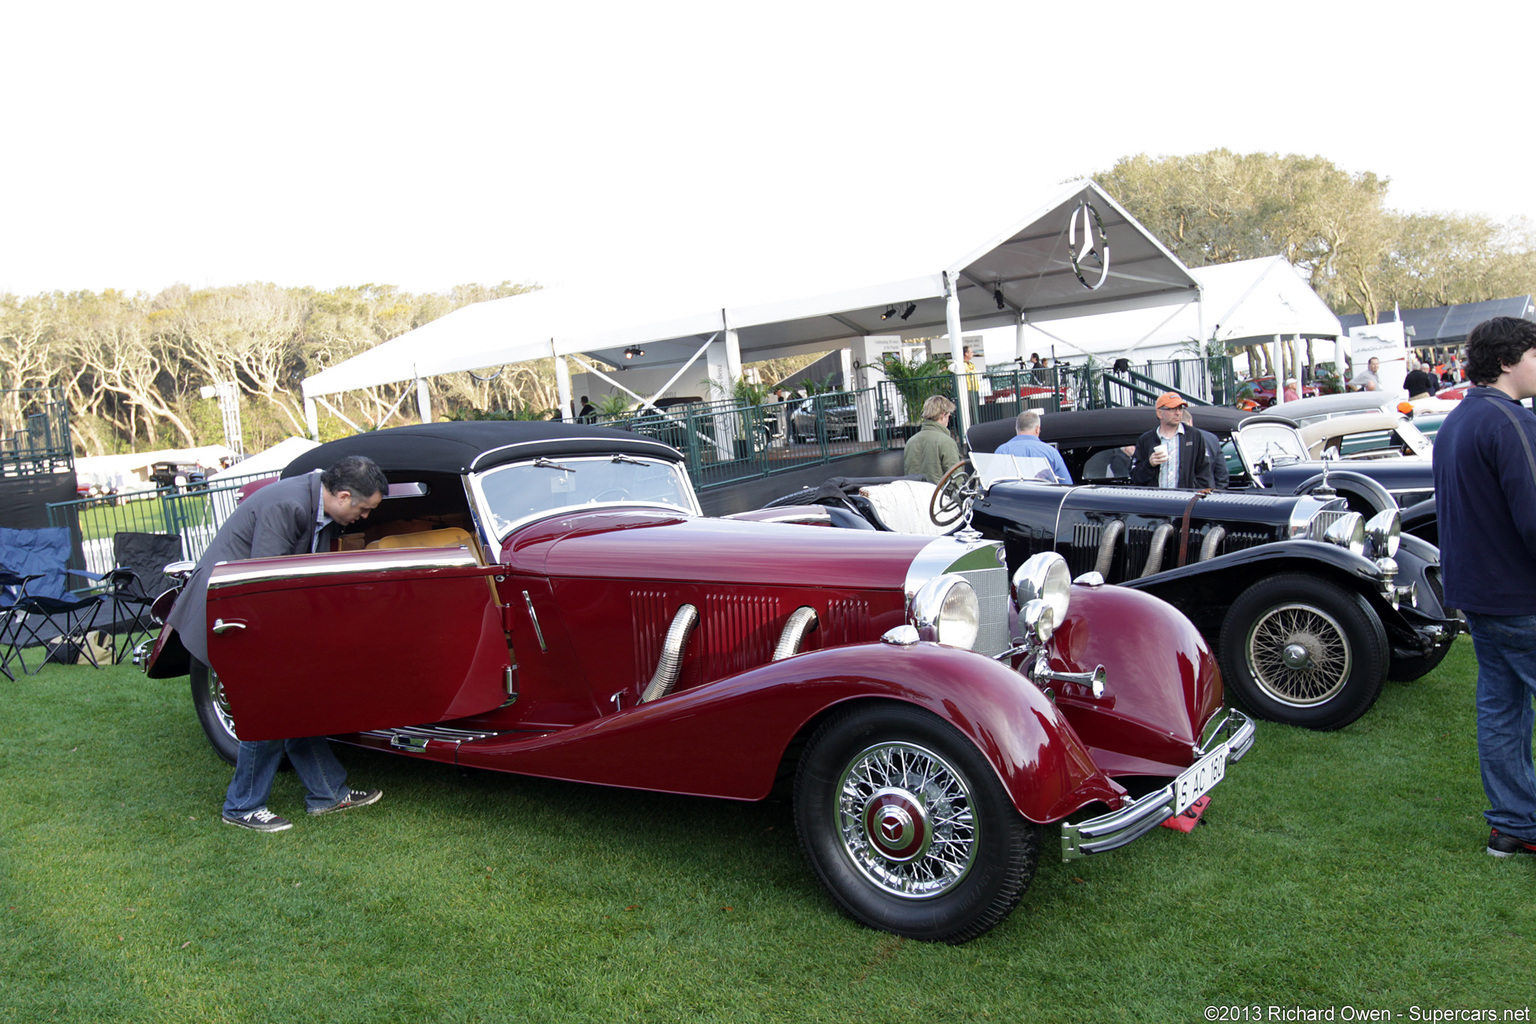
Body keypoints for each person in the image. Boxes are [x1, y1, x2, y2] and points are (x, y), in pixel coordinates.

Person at [166, 456, 391, 832]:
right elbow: (266, 584)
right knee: (269, 703)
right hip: (231, 613)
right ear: (343, 495)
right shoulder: (287, 504)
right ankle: (241, 806)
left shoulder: (318, 504)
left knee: (297, 701)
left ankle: (328, 793)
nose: (364, 518)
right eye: (364, 509)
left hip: (250, 608)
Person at [1432, 316, 1536, 859]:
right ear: (1506, 361)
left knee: (1502, 709)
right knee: (1502, 709)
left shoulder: (1458, 420)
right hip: (1520, 597)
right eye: (1535, 355)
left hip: (1479, 596)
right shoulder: (1508, 421)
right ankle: (1516, 824)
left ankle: (1515, 826)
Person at [1130, 392, 1213, 489]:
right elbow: (1135, 476)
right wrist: (1149, 464)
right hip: (1156, 500)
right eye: (1172, 409)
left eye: (1180, 409)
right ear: (1159, 413)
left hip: (1185, 500)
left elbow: (1204, 472)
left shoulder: (1194, 436)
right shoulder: (1146, 439)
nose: (1178, 413)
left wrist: (1194, 495)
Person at [995, 409, 1072, 484]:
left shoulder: (1002, 451)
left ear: (1016, 428)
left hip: (1012, 496)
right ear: (1037, 429)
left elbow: (991, 484)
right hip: (1042, 496)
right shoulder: (1051, 452)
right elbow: (1066, 485)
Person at [903, 394, 960, 484]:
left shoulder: (910, 442)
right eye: (948, 416)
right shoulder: (946, 442)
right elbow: (956, 479)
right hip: (938, 496)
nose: (948, 420)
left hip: (916, 495)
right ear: (942, 415)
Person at [1183, 407, 1229, 489]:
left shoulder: (1173, 439)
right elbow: (1222, 473)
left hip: (1183, 494)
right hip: (1208, 492)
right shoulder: (1211, 438)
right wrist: (1218, 493)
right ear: (1190, 421)